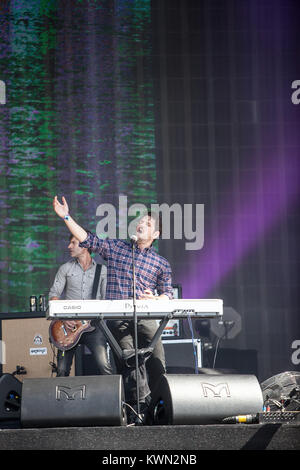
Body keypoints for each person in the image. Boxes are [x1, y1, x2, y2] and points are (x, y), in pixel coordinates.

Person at [52, 196, 173, 421]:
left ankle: (160, 406)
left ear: (155, 235)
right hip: (118, 320)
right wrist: (66, 217)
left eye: (147, 224)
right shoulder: (117, 248)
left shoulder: (161, 263)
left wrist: (158, 300)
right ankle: (140, 411)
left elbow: (167, 293)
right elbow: (89, 240)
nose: (141, 224)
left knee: (157, 362)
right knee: (130, 361)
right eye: (140, 221)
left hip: (146, 319)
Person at [48, 233, 113, 377]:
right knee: (62, 370)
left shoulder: (102, 271)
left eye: (73, 243)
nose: (69, 246)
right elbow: (53, 295)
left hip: (93, 327)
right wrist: (64, 318)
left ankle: (111, 399)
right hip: (67, 326)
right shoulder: (65, 269)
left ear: (85, 246)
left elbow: (106, 302)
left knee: (105, 367)